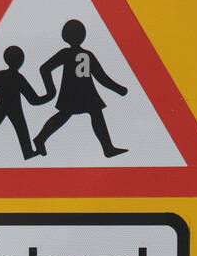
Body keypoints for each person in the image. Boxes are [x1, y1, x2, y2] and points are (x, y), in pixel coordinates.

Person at [32, 20, 128, 158]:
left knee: (81, 115)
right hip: (83, 93)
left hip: (78, 93)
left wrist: (50, 90)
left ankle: (107, 148)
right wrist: (118, 89)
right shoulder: (86, 55)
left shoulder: (67, 53)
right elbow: (102, 77)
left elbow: (44, 69)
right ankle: (107, 148)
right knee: (74, 115)